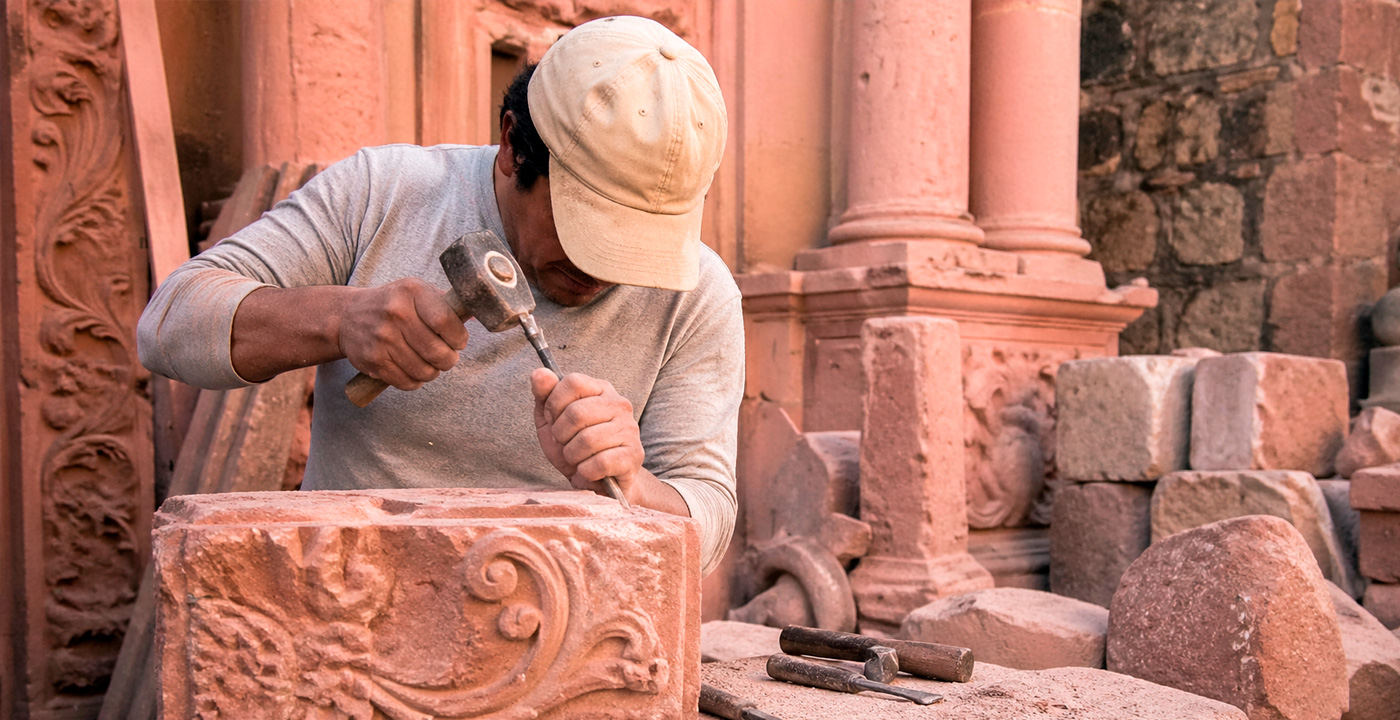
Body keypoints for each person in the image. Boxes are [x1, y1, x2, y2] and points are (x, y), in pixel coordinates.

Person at [137, 16, 741, 575]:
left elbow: (708, 518)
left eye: (637, 242)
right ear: (512, 147)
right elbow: (168, 325)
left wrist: (632, 487)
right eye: (588, 228)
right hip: (351, 604)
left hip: (560, 619)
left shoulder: (698, 292)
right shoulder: (383, 195)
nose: (603, 270)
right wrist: (338, 320)